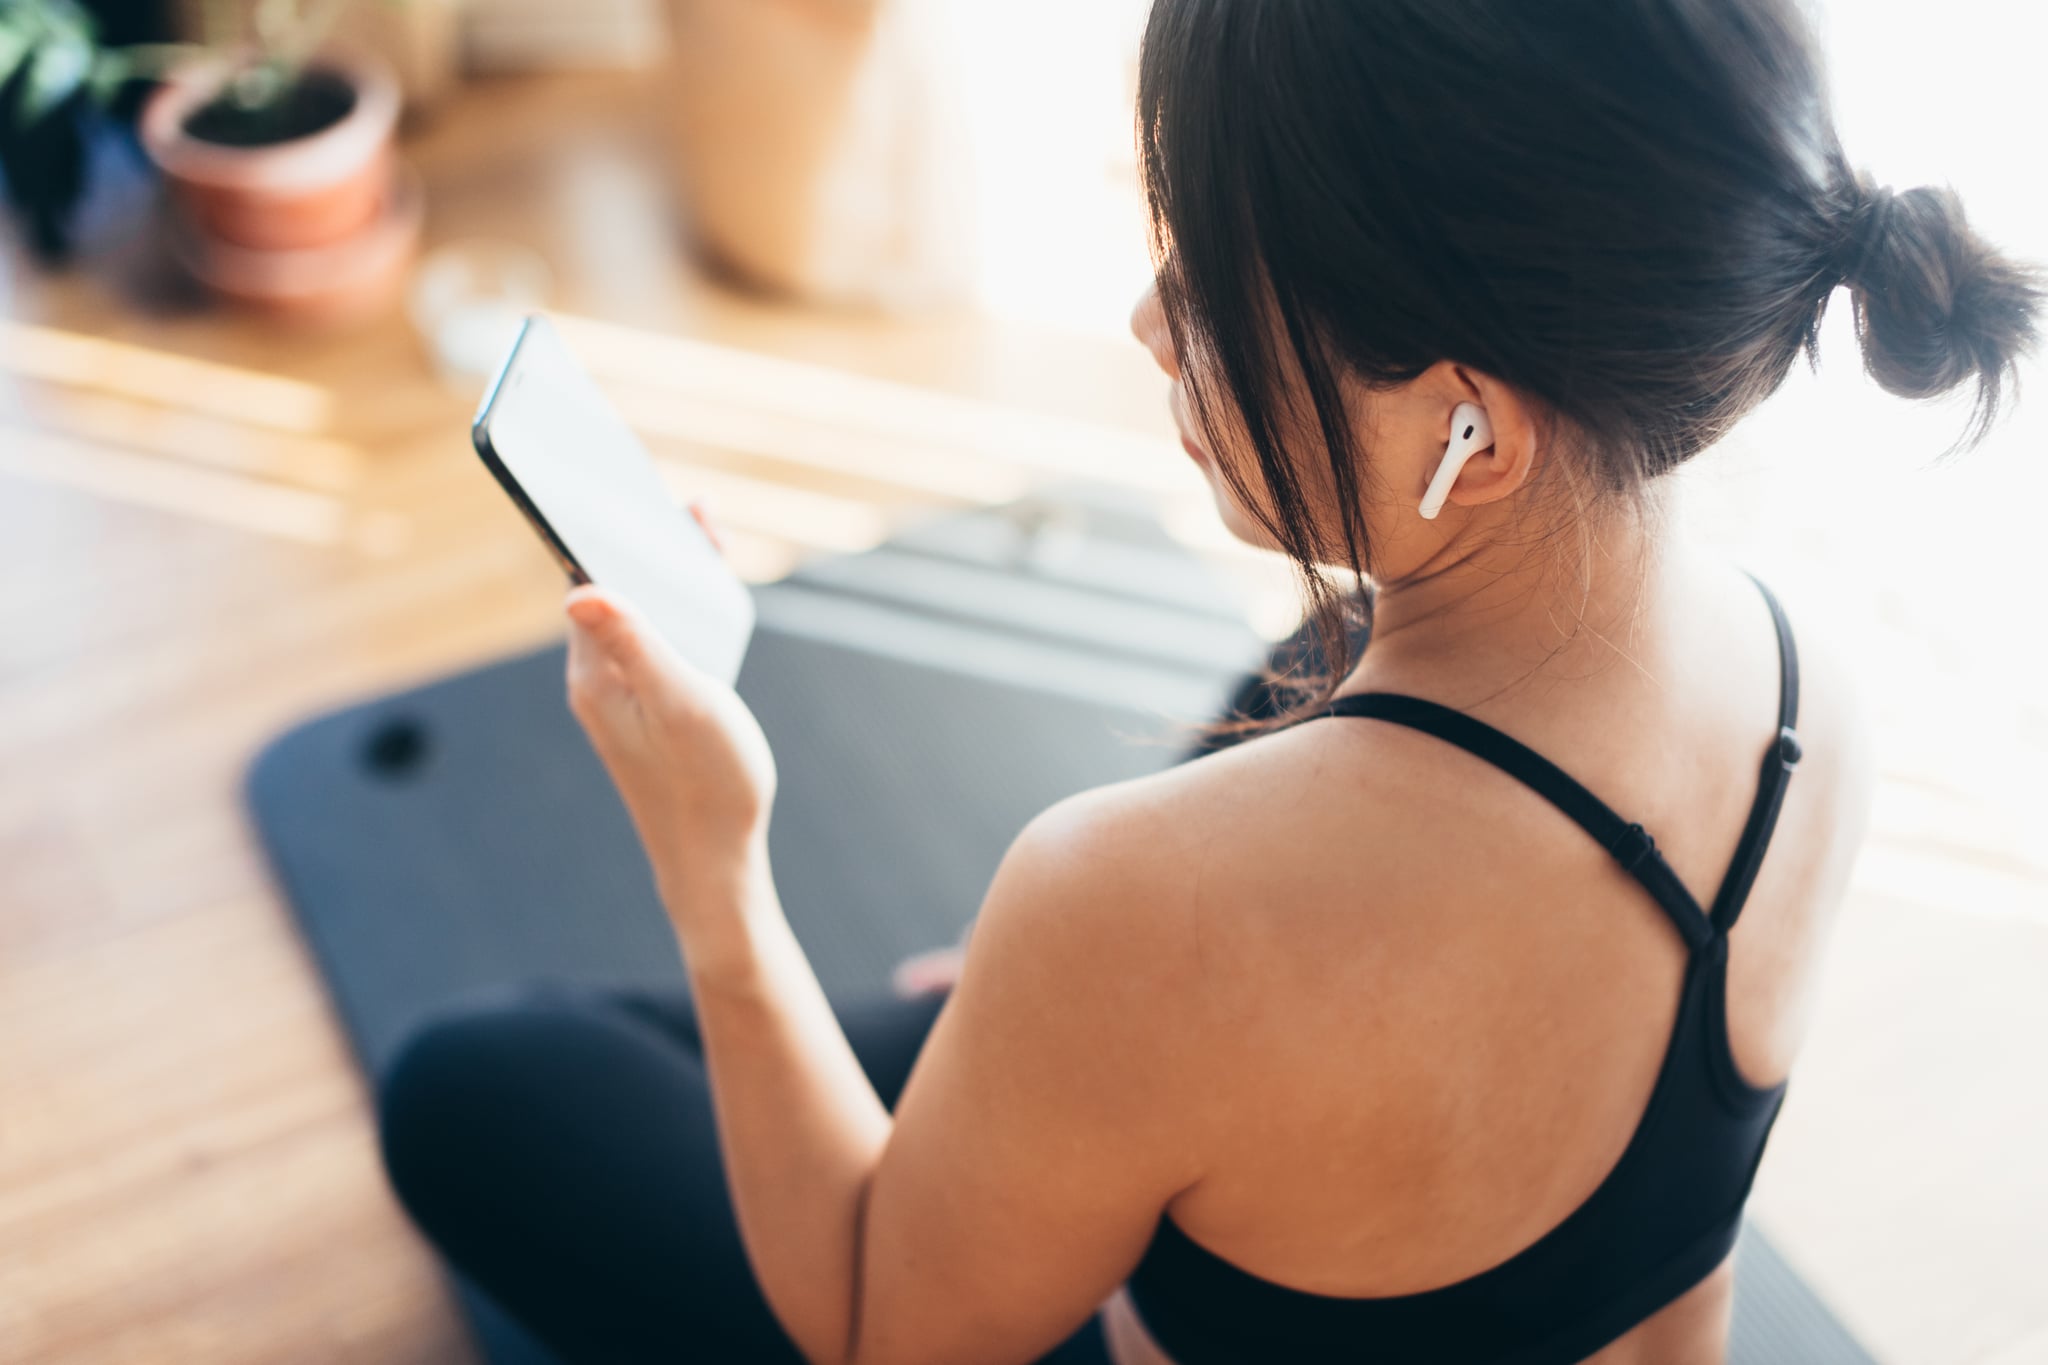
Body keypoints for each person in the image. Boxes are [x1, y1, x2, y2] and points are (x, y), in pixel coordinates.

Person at [375, 2, 2042, 1362]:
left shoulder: (1134, 905)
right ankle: (1038, 1078)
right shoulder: (1820, 688)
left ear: (1470, 423)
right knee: (1287, 692)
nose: (1150, 321)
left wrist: (714, 869)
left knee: (480, 1083)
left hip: (1076, 1145)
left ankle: (1032, 1077)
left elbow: (888, 1333)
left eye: (1219, 286)